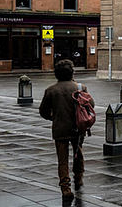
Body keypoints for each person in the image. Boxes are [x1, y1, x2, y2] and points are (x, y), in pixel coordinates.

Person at [38, 58, 90, 202]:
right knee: (78, 153)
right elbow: (90, 105)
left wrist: (53, 118)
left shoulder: (51, 90)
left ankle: (65, 188)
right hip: (78, 128)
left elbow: (43, 111)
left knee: (62, 160)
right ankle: (78, 178)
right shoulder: (80, 88)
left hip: (60, 129)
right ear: (72, 72)